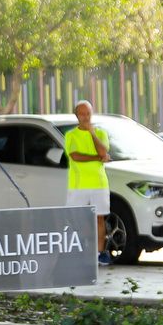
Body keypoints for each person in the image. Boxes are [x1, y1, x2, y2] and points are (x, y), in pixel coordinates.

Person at [64, 100, 111, 264]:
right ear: (77, 115)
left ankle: (100, 253)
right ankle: (83, 250)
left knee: (99, 219)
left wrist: (92, 134)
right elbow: (75, 156)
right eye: (82, 114)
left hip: (99, 184)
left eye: (88, 113)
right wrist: (97, 158)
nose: (85, 117)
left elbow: (103, 151)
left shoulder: (101, 133)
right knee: (78, 219)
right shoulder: (71, 135)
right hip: (78, 185)